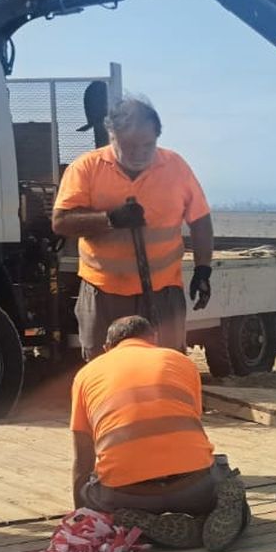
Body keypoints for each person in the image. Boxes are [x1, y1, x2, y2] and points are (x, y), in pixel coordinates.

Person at [68, 315, 249, 552]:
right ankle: (216, 516)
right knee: (225, 476)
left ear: (106, 348)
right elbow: (193, 423)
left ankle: (137, 523)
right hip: (193, 488)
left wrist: (84, 515)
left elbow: (82, 460)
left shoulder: (85, 375)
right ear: (153, 339)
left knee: (93, 491)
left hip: (126, 495)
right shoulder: (180, 361)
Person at [52, 95, 212, 357]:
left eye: (147, 145)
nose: (138, 154)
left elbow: (200, 219)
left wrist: (203, 270)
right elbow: (61, 222)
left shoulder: (175, 167)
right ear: (111, 135)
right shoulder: (86, 169)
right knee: (105, 368)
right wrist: (110, 220)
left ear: (157, 138)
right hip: (104, 293)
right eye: (129, 146)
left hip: (163, 292)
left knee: (165, 365)